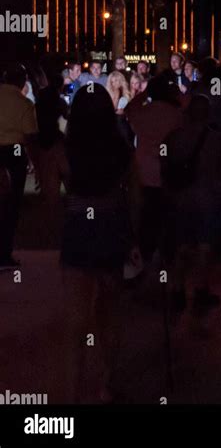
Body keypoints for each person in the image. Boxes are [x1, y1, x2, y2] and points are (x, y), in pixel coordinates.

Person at [61, 84, 139, 403]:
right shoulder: (121, 149)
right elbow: (135, 196)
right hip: (111, 227)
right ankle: (105, 383)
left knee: (76, 319)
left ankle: (71, 391)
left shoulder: (66, 149)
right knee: (110, 311)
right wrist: (133, 236)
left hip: (78, 226)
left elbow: (57, 197)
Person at [165, 95, 221, 312]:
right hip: (209, 196)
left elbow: (164, 167)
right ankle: (200, 289)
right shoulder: (218, 140)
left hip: (181, 198)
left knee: (181, 245)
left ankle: (177, 288)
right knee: (205, 245)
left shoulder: (173, 138)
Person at [126, 75, 183, 262]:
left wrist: (143, 95)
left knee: (146, 216)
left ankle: (145, 255)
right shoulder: (176, 114)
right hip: (169, 172)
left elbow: (129, 109)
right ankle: (166, 257)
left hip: (143, 171)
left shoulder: (143, 113)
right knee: (167, 216)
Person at [0, 64, 39, 269]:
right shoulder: (24, 104)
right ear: (23, 81)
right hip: (14, 153)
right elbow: (30, 137)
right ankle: (3, 254)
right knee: (11, 205)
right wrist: (35, 164)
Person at [35, 74, 69, 227]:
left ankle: (50, 215)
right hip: (54, 140)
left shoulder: (40, 100)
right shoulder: (58, 100)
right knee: (66, 172)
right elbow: (67, 114)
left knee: (49, 181)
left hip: (42, 141)